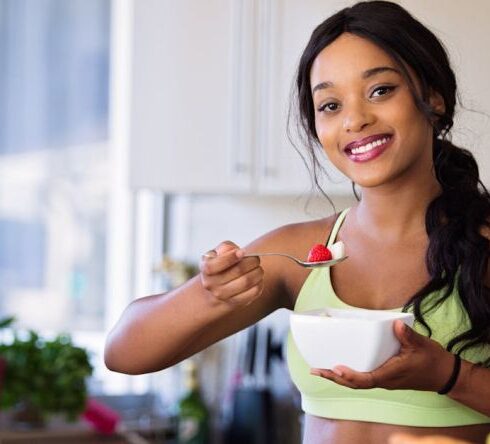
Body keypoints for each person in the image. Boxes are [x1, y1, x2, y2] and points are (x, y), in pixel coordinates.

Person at [105, 1, 490, 442]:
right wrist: (209, 294)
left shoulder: (482, 243)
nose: (355, 120)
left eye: (380, 90)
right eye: (329, 104)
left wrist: (448, 374)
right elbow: (124, 353)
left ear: (433, 97)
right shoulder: (304, 253)